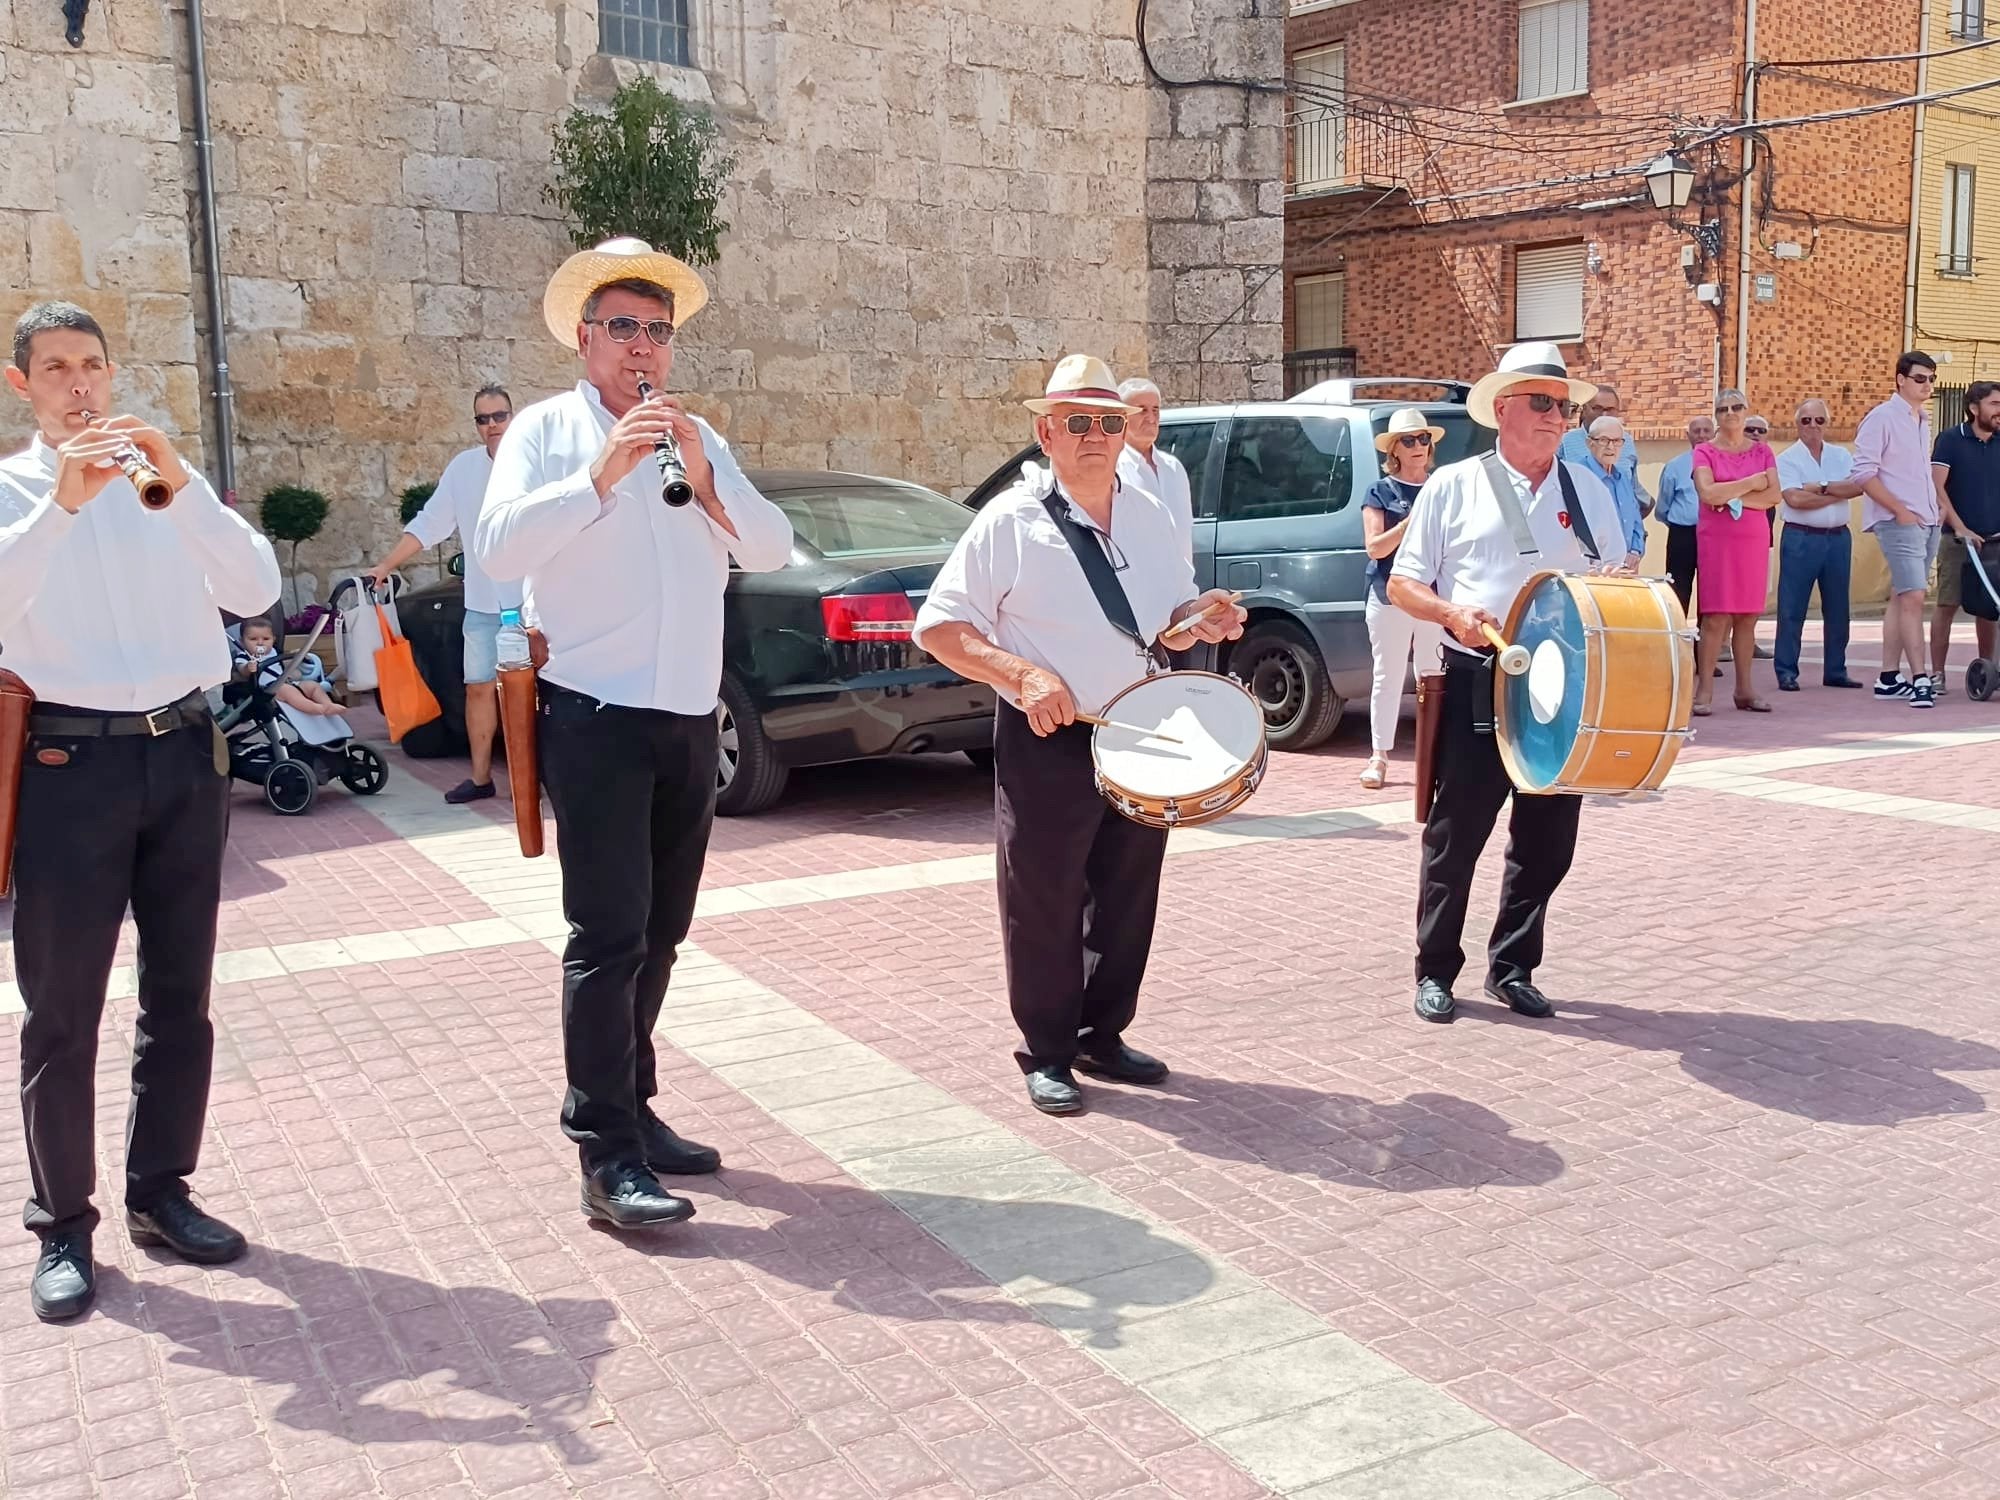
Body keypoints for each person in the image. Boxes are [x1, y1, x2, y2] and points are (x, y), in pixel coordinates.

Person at [472, 239, 795, 1230]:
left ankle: (636, 1111)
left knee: (663, 932)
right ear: (585, 338)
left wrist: (704, 476)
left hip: (688, 721)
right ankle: (604, 1153)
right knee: (606, 938)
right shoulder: (543, 432)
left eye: (657, 330)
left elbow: (774, 547)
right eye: (623, 327)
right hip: (594, 718)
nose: (642, 345)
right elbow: (496, 551)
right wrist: (601, 477)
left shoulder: (697, 437)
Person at [0, 300, 281, 1320]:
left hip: (185, 759)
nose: (79, 384)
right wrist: (63, 506)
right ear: (21, 382)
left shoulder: (166, 477)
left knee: (180, 998)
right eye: (57, 367)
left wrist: (187, 488)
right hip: (71, 765)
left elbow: (255, 584)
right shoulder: (13, 491)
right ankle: (62, 1226)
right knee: (62, 1011)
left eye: (93, 366)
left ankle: (161, 1192)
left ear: (112, 375)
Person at [914, 355, 1245, 1115]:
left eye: (1107, 422)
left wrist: (1209, 616)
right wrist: (1023, 674)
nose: (1095, 436)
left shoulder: (1153, 514)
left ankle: (1103, 1033)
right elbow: (938, 627)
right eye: (1077, 423)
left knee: (1129, 892)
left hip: (1142, 729)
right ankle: (1048, 1050)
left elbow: (1168, 621)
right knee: (1044, 896)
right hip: (1050, 734)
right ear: (1046, 433)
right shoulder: (1011, 519)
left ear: (1125, 431)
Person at [1388, 341, 1626, 1026]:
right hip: (1478, 675)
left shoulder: (1587, 488)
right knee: (1456, 834)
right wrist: (1450, 613)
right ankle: (1435, 970)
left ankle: (1513, 966)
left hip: (1562, 681)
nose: (1558, 416)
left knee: (1548, 836)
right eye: (1544, 403)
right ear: (1503, 410)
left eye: (1565, 406)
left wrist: (1615, 584)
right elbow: (1405, 583)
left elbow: (1614, 572)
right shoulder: (1454, 485)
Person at [367, 385, 518, 802]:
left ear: (513, 416)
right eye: (483, 419)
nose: (492, 426)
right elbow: (430, 523)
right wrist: (386, 565)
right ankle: (482, 778)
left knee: (536, 696)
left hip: (532, 604)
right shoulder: (464, 469)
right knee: (478, 688)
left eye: (499, 416)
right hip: (484, 605)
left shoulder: (535, 462)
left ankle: (539, 779)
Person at [1359, 407, 1446, 790]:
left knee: (1432, 673)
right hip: (1390, 594)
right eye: (1409, 440)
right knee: (1388, 675)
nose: (1418, 446)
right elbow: (1375, 548)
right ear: (1394, 449)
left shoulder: (1442, 486)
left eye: (1423, 439)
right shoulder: (1380, 491)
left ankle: (1435, 754)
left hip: (1432, 596)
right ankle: (1379, 757)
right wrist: (1411, 523)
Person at [1852, 351, 1943, 705]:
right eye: (1920, 378)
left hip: (1927, 518)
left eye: (1932, 379)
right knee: (1915, 598)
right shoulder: (1882, 418)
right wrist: (1899, 510)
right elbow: (1862, 473)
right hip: (1899, 521)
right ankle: (1921, 678)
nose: (1927, 385)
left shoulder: (1922, 419)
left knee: (1902, 595)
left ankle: (1889, 678)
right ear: (1901, 379)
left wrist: (1934, 510)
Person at [1690, 389, 1781, 715]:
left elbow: (1773, 495)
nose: (1730, 413)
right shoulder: (1704, 451)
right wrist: (1750, 483)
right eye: (1723, 408)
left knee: (1748, 616)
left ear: (1746, 411)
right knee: (1715, 616)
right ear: (1716, 414)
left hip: (1753, 539)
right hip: (1717, 540)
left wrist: (1732, 498)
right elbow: (1708, 493)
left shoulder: (1763, 451)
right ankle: (1705, 691)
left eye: (1737, 407)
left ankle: (1745, 689)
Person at [1773, 399, 1863, 692]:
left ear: (1827, 423)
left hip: (1838, 537)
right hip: (1801, 537)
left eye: (1819, 420)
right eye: (1806, 421)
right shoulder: (1787, 459)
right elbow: (1795, 499)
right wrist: (1836, 490)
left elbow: (1857, 487)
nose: (1813, 426)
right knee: (1792, 607)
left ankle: (1836, 670)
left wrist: (1819, 487)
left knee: (1838, 607)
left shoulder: (1840, 455)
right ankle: (1786, 670)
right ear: (1797, 425)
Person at [1929, 381, 2000, 692]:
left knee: (1990, 607)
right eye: (1995, 404)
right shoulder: (1949, 440)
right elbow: (1937, 487)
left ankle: (1988, 671)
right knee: (1947, 605)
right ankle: (1937, 674)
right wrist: (1960, 527)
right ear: (1974, 408)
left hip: (1995, 540)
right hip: (1958, 541)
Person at [1114, 377, 1193, 564]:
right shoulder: (1115, 470)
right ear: (1122, 417)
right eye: (1142, 410)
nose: (1151, 418)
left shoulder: (1174, 468)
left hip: (1181, 587)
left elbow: (1184, 531)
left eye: (1155, 410)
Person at [1560, 382, 1654, 518]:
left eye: (1610, 409)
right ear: (1584, 410)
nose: (1604, 414)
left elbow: (1634, 487)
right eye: (1597, 408)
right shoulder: (1565, 442)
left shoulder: (1626, 441)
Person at [1655, 414, 1715, 614]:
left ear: (1714, 434)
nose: (1702, 435)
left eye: (1706, 431)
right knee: (1677, 591)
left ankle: (1705, 645)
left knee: (1710, 594)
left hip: (1714, 534)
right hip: (1683, 535)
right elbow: (1663, 505)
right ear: (1688, 435)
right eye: (1696, 431)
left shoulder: (1722, 463)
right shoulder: (1675, 466)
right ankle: (1677, 641)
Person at [233, 617, 341, 716]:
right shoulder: (244, 656)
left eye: (266, 639)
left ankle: (328, 704)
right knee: (289, 692)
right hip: (268, 691)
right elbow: (242, 669)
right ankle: (319, 709)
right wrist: (248, 668)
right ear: (242, 642)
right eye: (253, 639)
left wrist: (296, 656)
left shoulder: (274, 652)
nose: (260, 643)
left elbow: (283, 664)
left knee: (312, 686)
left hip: (286, 683)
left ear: (273, 639)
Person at [1581, 416, 1647, 571]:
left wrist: (1635, 552)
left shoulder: (1622, 477)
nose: (1611, 447)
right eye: (1604, 440)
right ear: (1590, 443)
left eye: (1617, 441)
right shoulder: (1579, 477)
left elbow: (1636, 521)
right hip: (1593, 570)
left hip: (1626, 568)